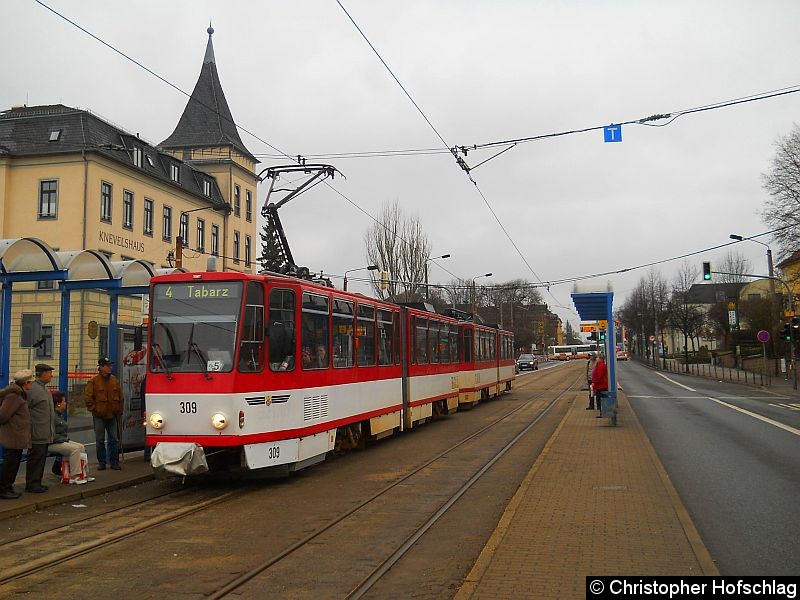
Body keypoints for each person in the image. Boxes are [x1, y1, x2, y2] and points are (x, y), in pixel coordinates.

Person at [0, 369, 34, 499]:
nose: (31, 386)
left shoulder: (17, 393)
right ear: (26, 383)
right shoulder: (14, 396)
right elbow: (3, 415)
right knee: (11, 464)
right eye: (31, 383)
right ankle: (4, 489)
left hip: (16, 435)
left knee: (12, 463)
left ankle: (7, 487)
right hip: (13, 435)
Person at [48, 391, 95, 484]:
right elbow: (51, 434)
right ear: (58, 404)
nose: (65, 403)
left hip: (61, 440)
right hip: (53, 443)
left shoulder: (59, 414)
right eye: (64, 401)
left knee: (81, 447)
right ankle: (75, 475)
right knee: (75, 449)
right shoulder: (52, 416)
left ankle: (84, 474)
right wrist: (63, 440)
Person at [85, 357, 123, 470]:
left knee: (114, 439)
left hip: (112, 415)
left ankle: (114, 462)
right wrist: (95, 409)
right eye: (107, 366)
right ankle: (102, 462)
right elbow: (88, 398)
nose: (110, 367)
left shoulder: (114, 380)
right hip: (99, 416)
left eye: (110, 365)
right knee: (100, 440)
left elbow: (121, 397)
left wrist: (119, 411)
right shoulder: (93, 381)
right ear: (101, 367)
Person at [25, 363, 56, 493]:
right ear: (43, 374)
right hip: (37, 431)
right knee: (35, 459)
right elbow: (26, 409)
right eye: (49, 373)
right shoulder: (33, 389)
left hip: (45, 431)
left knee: (41, 458)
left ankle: (37, 482)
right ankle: (32, 484)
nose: (52, 375)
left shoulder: (44, 388)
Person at [591, 352, 609, 418]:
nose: (596, 359)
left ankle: (603, 413)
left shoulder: (601, 365)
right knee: (601, 399)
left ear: (600, 359)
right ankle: (602, 413)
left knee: (601, 400)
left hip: (601, 386)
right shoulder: (600, 364)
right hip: (600, 385)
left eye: (597, 358)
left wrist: (594, 382)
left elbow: (599, 375)